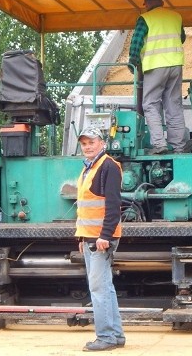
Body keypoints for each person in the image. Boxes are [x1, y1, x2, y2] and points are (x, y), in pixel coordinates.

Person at [75, 127, 125, 352]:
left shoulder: (108, 166)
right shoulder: (89, 168)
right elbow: (86, 208)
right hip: (91, 237)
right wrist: (83, 237)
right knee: (105, 287)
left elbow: (113, 205)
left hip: (100, 239)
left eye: (91, 142)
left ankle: (105, 337)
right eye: (84, 143)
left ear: (102, 143)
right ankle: (115, 335)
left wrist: (104, 236)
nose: (87, 146)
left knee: (98, 289)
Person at [129, 0, 190, 155]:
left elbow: (135, 44)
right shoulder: (175, 17)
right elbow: (182, 37)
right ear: (162, 2)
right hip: (175, 66)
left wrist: (133, 64)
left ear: (147, 4)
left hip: (155, 66)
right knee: (173, 105)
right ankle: (178, 147)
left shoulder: (145, 19)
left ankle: (159, 144)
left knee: (150, 104)